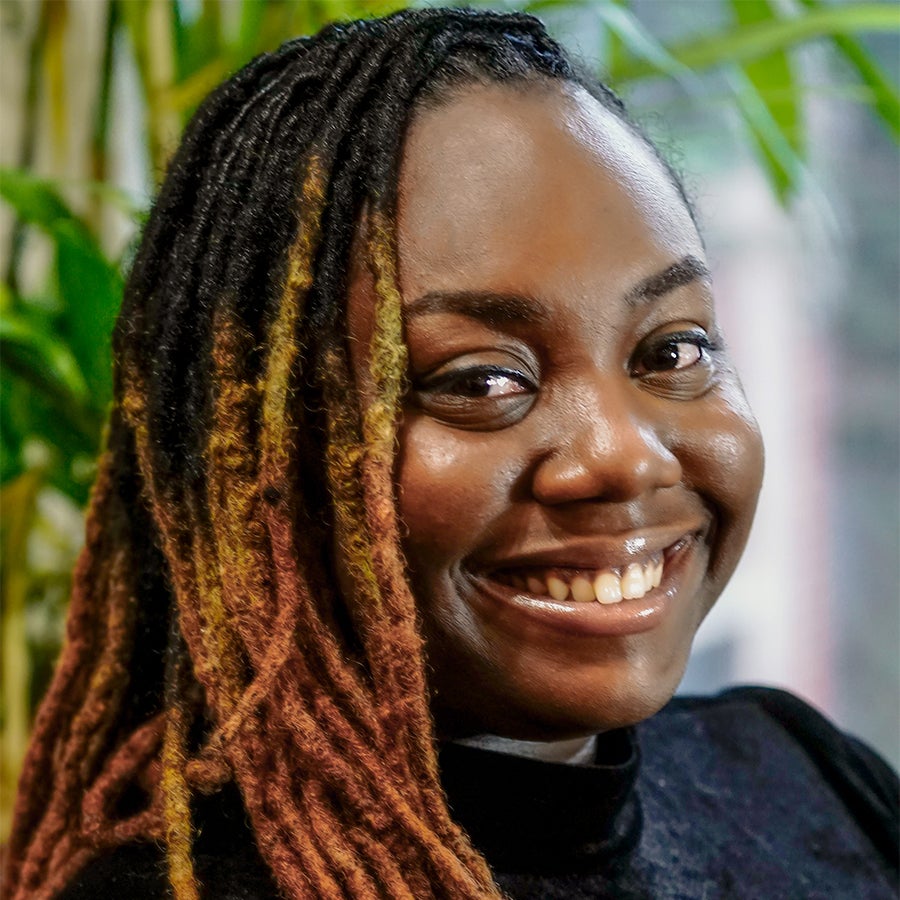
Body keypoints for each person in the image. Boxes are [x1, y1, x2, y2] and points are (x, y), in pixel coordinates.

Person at [3, 8, 897, 900]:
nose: (626, 456)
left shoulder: (801, 776)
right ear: (262, 468)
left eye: (672, 352)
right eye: (481, 382)